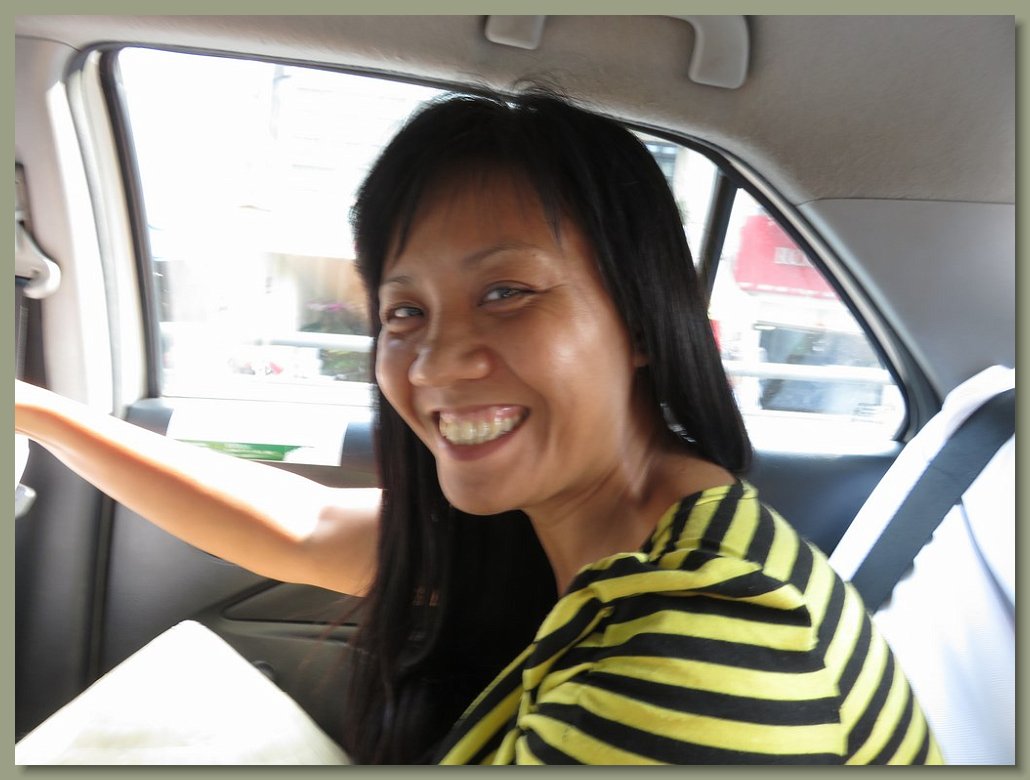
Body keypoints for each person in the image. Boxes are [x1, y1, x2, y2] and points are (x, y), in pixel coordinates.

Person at [14, 89, 941, 765]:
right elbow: (301, 525)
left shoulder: (699, 649)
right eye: (404, 312)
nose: (433, 364)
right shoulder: (596, 525)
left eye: (507, 292)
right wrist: (34, 410)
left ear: (644, 323)